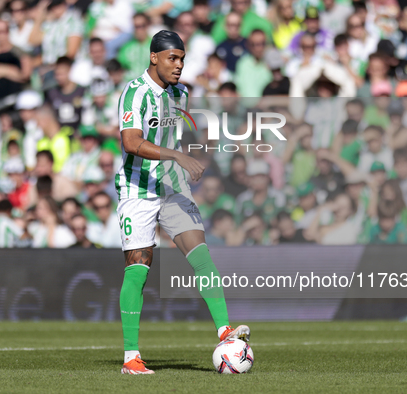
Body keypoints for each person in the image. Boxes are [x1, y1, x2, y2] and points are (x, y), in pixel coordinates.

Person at [116, 30, 250, 375]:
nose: (179, 66)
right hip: (137, 188)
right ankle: (132, 357)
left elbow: (173, 133)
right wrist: (177, 154)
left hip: (172, 186)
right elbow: (132, 143)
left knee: (201, 256)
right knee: (138, 270)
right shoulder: (134, 94)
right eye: (173, 58)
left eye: (182, 59)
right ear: (154, 57)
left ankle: (224, 330)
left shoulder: (181, 93)